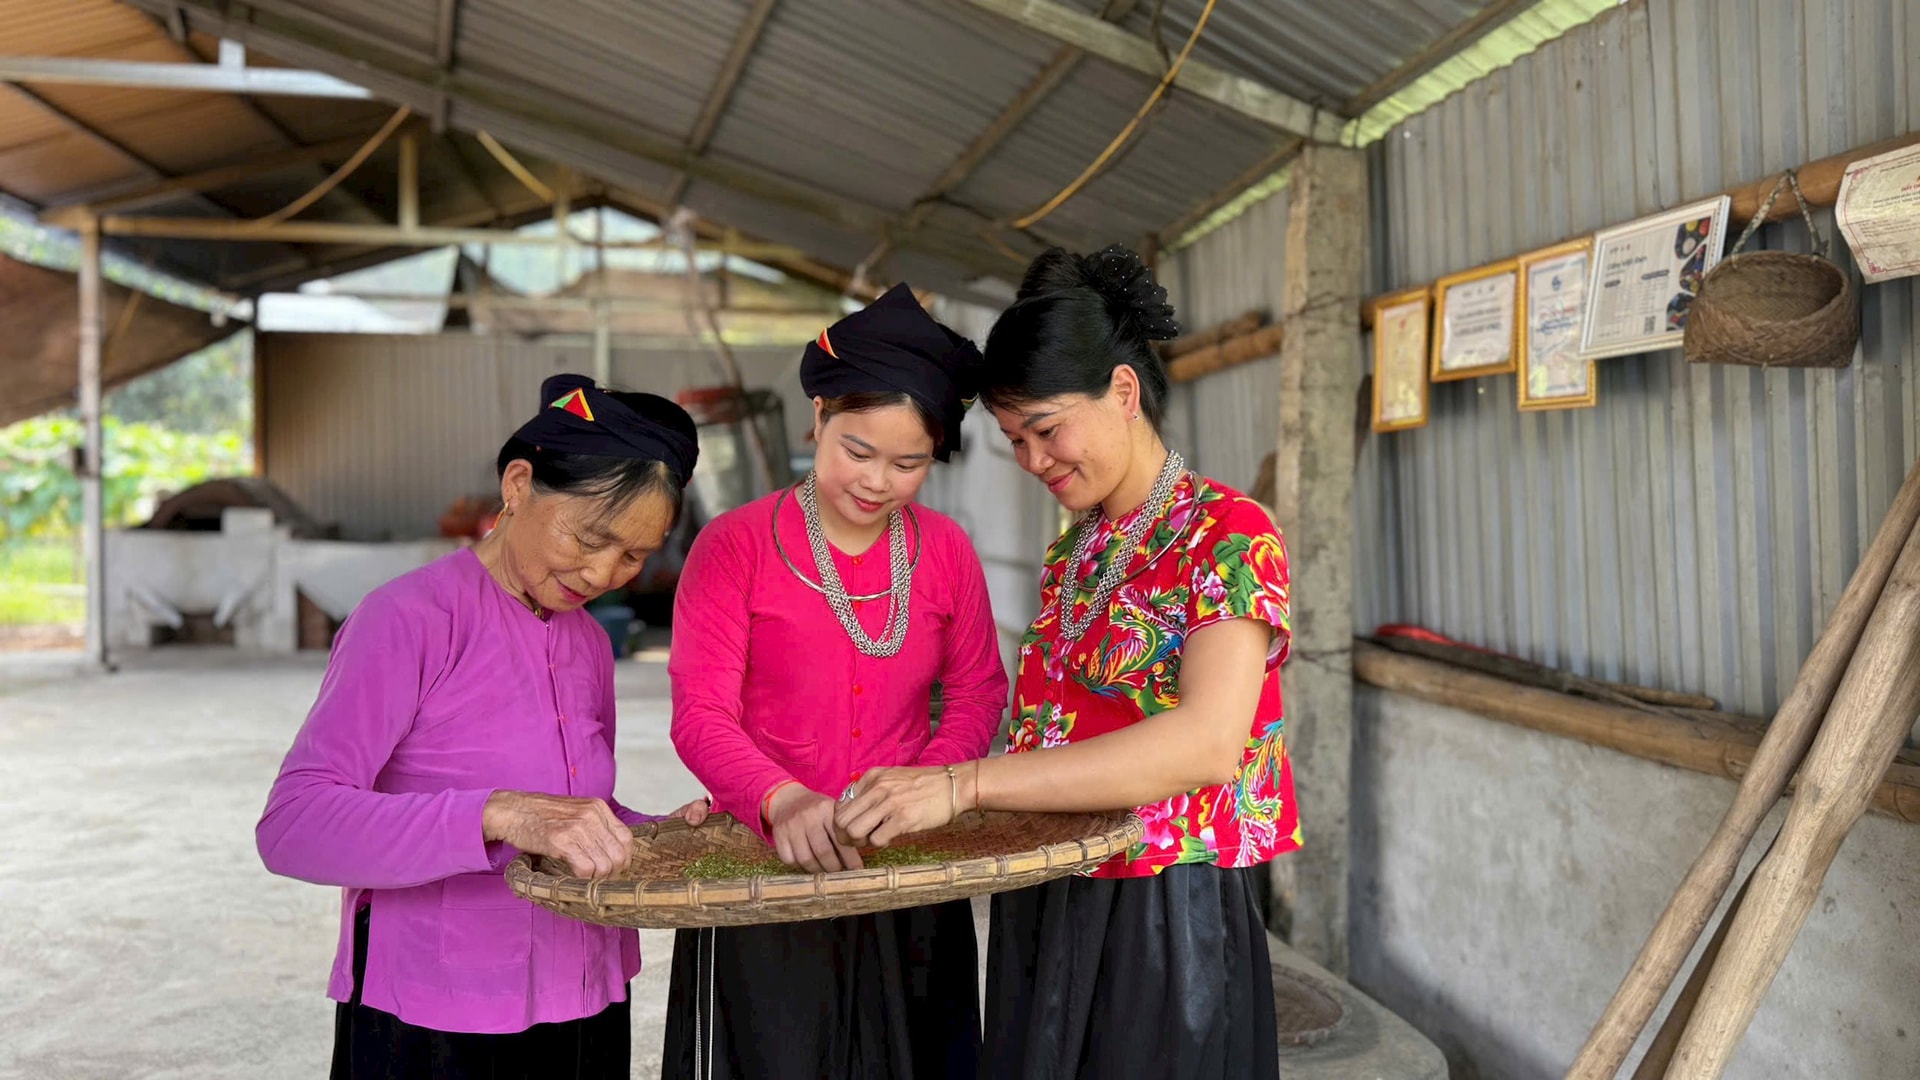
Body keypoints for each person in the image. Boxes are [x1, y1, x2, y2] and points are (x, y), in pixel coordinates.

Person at [837, 247, 1297, 1080]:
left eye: (1046, 430)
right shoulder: (1076, 552)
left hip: (1163, 912)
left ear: (1123, 392)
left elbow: (1205, 744)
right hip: (1048, 889)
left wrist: (965, 784)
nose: (1034, 461)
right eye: (1015, 440)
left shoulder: (1227, 535)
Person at [258, 373, 712, 1079]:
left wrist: (655, 832)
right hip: (438, 1015)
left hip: (586, 998)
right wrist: (498, 814)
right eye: (590, 537)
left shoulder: (589, 642)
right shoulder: (408, 620)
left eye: (634, 555)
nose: (602, 572)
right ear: (519, 484)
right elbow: (293, 827)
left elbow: (571, 802)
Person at [664, 283, 1009, 1079]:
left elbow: (979, 690)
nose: (878, 482)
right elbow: (700, 712)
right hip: (767, 867)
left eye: (908, 463)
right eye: (858, 450)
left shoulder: (946, 550)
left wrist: (925, 788)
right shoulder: (734, 546)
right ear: (817, 419)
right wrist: (778, 798)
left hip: (912, 864)